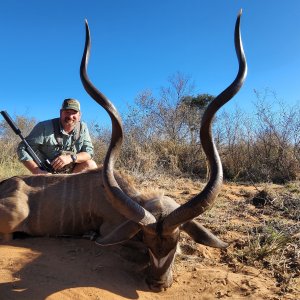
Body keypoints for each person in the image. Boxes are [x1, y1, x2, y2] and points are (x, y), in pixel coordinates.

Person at [17, 98, 97, 174]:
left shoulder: (83, 128)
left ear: (79, 115)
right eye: (67, 112)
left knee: (91, 165)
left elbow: (89, 153)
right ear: (60, 113)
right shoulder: (44, 127)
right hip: (49, 174)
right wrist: (37, 171)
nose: (70, 116)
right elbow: (23, 148)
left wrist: (70, 158)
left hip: (73, 174)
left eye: (74, 113)